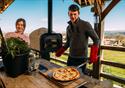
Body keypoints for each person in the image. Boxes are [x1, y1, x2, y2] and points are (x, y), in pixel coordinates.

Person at [55, 4, 100, 74]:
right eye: (71, 14)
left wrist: (93, 54)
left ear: (78, 13)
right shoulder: (68, 28)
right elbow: (68, 42)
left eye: (75, 14)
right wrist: (61, 51)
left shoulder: (85, 25)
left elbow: (96, 39)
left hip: (81, 58)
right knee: (67, 75)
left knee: (79, 78)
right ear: (68, 14)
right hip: (71, 57)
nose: (73, 16)